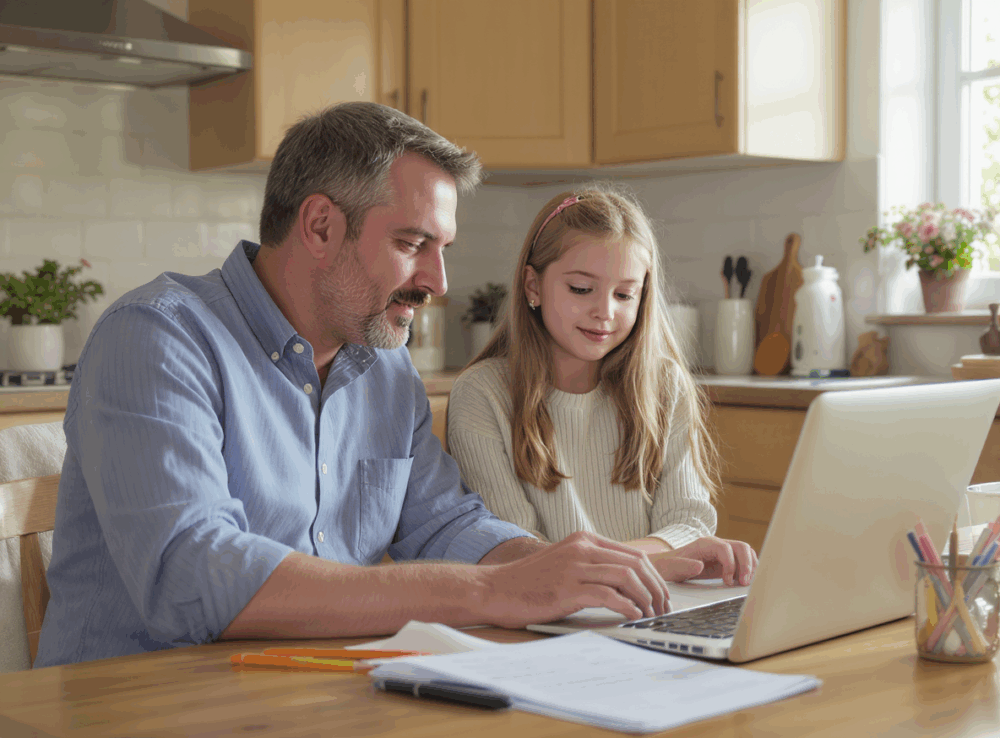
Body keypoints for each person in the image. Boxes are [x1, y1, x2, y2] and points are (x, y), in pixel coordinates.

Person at [34, 104, 705, 667]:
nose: (439, 282)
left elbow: (445, 521)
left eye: (442, 247)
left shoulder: (383, 365)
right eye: (415, 243)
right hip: (135, 707)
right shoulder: (158, 338)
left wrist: (561, 571)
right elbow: (195, 574)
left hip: (313, 697)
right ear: (321, 225)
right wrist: (489, 591)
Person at [447, 186, 758, 586]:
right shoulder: (482, 394)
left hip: (658, 599)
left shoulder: (665, 385)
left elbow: (688, 522)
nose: (605, 312)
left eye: (625, 294)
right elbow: (512, 549)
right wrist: (651, 560)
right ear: (532, 286)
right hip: (548, 612)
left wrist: (638, 566)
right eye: (581, 289)